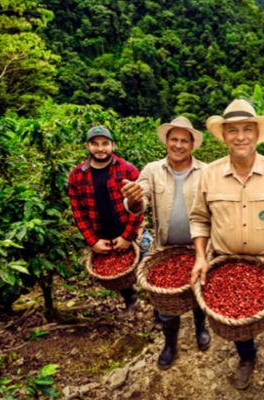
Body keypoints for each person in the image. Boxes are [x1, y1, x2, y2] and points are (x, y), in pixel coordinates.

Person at [188, 99, 264, 399]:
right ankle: (247, 357)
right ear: (224, 136)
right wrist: (201, 257)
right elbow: (199, 218)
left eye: (246, 130)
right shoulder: (210, 174)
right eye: (232, 131)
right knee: (237, 325)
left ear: (256, 134)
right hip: (224, 264)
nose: (240, 136)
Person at [122, 116, 211, 369]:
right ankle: (170, 343)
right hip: (166, 249)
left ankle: (200, 328)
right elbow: (139, 203)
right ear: (167, 142)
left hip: (200, 249)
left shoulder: (206, 171)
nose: (179, 145)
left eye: (185, 140)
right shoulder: (152, 170)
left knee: (198, 293)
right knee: (167, 305)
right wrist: (134, 198)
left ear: (192, 145)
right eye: (174, 139)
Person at [67, 125, 144, 320]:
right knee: (117, 275)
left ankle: (159, 305)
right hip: (101, 233)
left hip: (127, 229)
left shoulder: (128, 170)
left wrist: (128, 236)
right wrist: (92, 241)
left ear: (113, 145)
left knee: (144, 264)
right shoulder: (77, 175)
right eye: (95, 144)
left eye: (105, 144)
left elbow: (139, 207)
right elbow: (78, 211)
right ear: (87, 146)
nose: (100, 149)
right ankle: (131, 299)